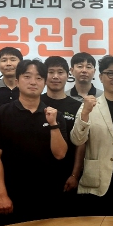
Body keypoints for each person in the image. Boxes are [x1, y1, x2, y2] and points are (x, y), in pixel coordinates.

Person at [0, 59, 68, 226]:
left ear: (44, 83)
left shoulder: (55, 115)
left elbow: (60, 154)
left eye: (38, 78)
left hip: (48, 195)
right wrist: (2, 195)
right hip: (11, 194)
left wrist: (53, 124)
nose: (33, 82)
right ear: (17, 81)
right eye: (27, 76)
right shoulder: (0, 114)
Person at [70, 55, 113, 216]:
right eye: (110, 73)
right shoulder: (89, 106)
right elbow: (77, 139)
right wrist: (85, 113)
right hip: (96, 184)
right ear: (101, 77)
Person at [41, 56, 85, 217]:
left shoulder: (78, 106)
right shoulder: (36, 102)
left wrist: (75, 174)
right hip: (39, 175)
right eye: (50, 72)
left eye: (60, 72)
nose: (55, 76)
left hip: (67, 174)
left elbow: (81, 143)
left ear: (68, 75)